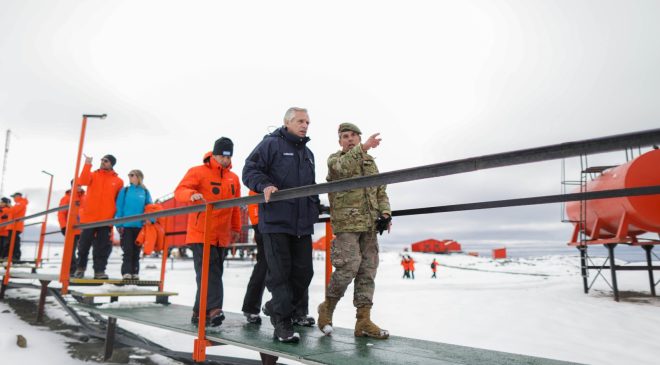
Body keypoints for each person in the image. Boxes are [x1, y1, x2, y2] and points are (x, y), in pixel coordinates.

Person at [243, 107, 320, 343]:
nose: (305, 125)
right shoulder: (271, 144)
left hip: (302, 224)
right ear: (286, 122)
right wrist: (264, 184)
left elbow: (311, 186)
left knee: (305, 272)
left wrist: (316, 206)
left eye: (307, 121)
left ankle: (274, 306)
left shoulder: (308, 153)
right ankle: (282, 324)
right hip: (276, 221)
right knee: (280, 275)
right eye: (300, 121)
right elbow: (249, 169)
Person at [317, 122, 392, 339]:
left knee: (368, 271)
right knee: (348, 268)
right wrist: (364, 148)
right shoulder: (335, 160)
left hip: (369, 225)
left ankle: (363, 321)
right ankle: (327, 308)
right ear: (340, 142)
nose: (349, 139)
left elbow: (380, 190)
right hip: (347, 225)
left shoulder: (369, 163)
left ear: (358, 138)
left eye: (353, 136)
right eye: (344, 136)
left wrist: (385, 214)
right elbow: (342, 169)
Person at [174, 137, 241, 327]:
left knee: (212, 273)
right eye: (222, 156)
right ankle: (214, 310)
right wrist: (191, 195)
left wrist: (235, 228)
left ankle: (198, 313)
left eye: (228, 157)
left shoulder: (233, 178)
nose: (225, 160)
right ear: (214, 154)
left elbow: (235, 207)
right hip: (201, 232)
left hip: (221, 235)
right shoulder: (198, 172)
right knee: (209, 273)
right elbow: (180, 190)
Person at [74, 154, 124, 279]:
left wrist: (116, 217)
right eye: (101, 160)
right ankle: (80, 268)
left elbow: (119, 200)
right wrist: (87, 164)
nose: (102, 162)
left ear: (111, 163)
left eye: (105, 161)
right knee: (83, 245)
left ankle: (99, 271)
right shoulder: (93, 174)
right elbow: (82, 181)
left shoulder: (118, 181)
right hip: (89, 218)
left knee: (102, 247)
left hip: (106, 219)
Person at [115, 169, 153, 280]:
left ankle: (135, 272)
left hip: (140, 226)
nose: (130, 177)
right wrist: (119, 224)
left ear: (138, 177)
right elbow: (119, 207)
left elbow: (149, 207)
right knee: (128, 250)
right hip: (126, 226)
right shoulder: (125, 191)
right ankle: (126, 273)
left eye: (132, 175)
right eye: (129, 175)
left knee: (137, 251)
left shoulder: (145, 192)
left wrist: (150, 220)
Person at [241, 190, 266, 324]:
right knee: (264, 265)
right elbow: (254, 195)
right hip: (264, 225)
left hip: (286, 224)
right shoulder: (261, 175)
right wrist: (258, 223)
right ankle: (251, 307)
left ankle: (295, 311)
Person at [58, 181, 86, 275]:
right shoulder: (66, 198)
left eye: (79, 184)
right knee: (70, 251)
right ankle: (71, 270)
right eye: (76, 184)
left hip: (84, 228)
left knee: (83, 251)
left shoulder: (86, 197)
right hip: (71, 229)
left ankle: (80, 270)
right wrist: (63, 226)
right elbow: (61, 213)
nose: (78, 186)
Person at [8, 192, 28, 261]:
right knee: (12, 241)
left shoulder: (20, 203)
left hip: (15, 226)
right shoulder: (18, 203)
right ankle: (13, 256)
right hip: (13, 226)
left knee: (15, 241)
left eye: (14, 197)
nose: (13, 198)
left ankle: (16, 256)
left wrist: (10, 207)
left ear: (18, 196)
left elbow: (14, 211)